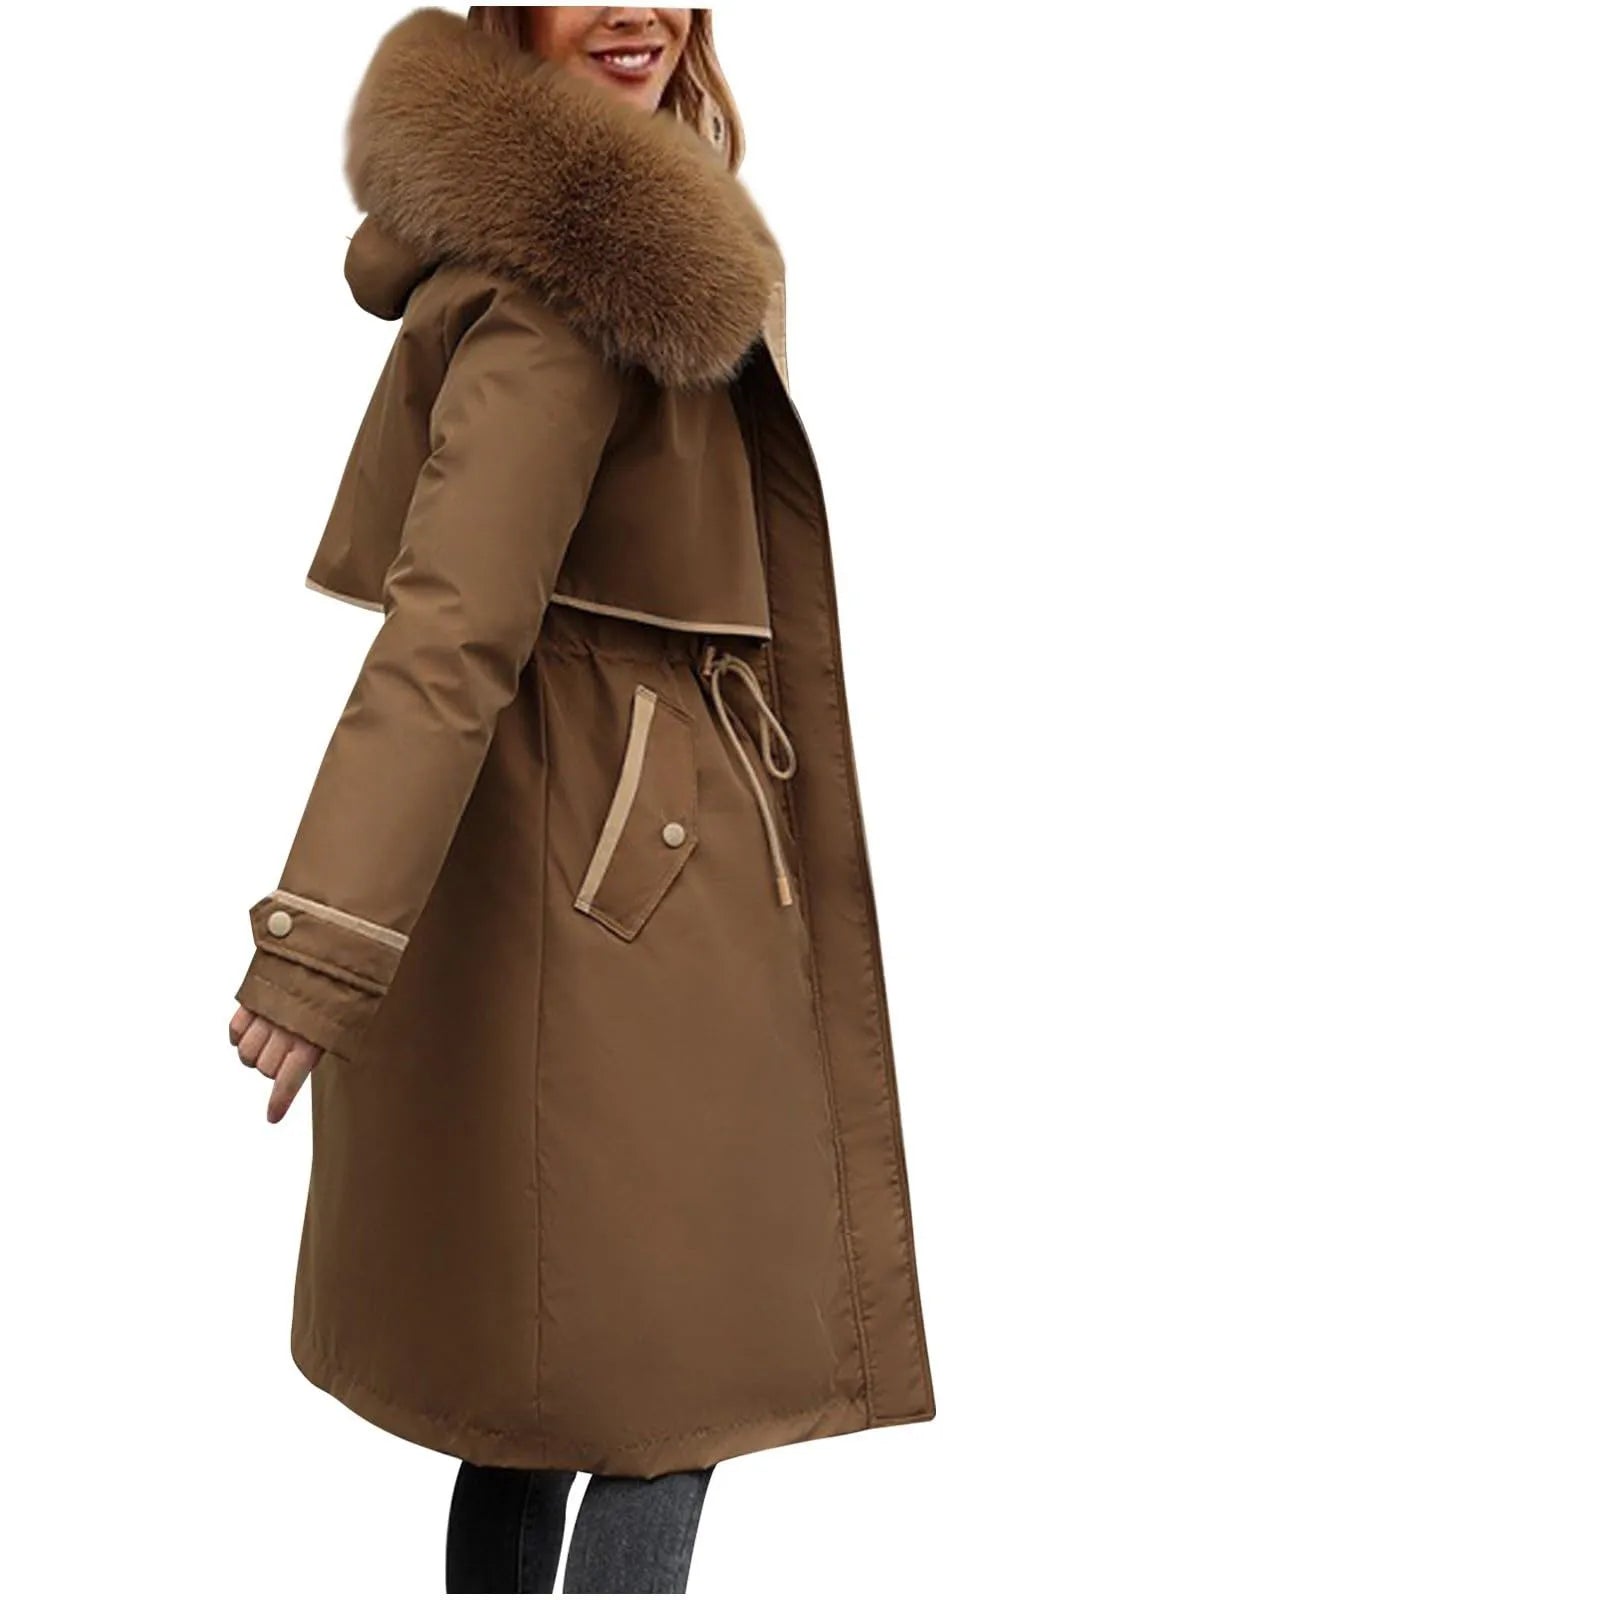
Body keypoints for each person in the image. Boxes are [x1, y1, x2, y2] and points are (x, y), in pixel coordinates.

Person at [227, 6, 935, 1592]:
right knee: (666, 1387)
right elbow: (448, 630)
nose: (633, 11)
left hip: (589, 866)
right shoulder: (575, 278)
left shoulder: (616, 232)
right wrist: (320, 940)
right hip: (623, 904)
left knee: (536, 1392)